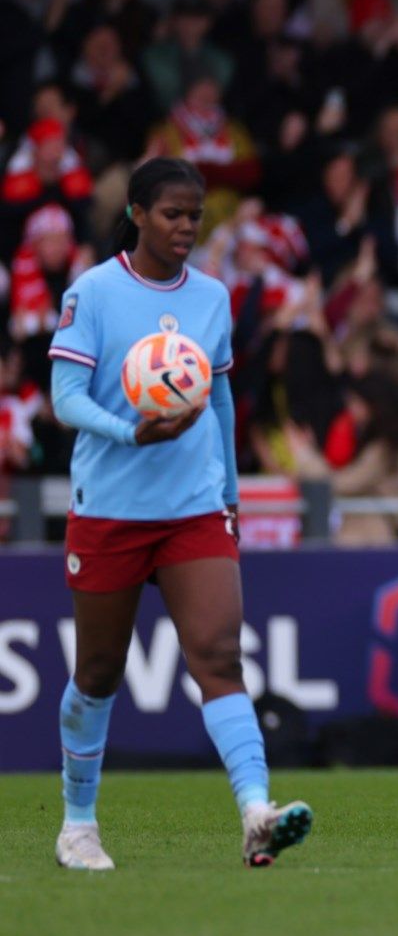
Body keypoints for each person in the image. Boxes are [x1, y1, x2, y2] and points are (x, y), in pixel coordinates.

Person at [46, 157, 312, 870]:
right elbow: (65, 398)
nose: (187, 227)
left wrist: (227, 490)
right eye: (172, 214)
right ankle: (77, 825)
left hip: (194, 508)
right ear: (136, 213)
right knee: (98, 672)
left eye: (195, 215)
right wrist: (130, 430)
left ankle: (256, 811)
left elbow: (219, 398)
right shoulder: (93, 293)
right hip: (110, 509)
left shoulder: (213, 298)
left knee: (220, 656)